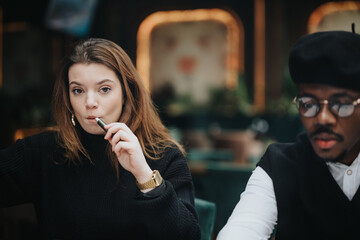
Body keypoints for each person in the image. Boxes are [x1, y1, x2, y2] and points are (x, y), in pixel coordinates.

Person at [0, 38, 201, 239]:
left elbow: (188, 235)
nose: (89, 102)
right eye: (78, 90)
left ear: (127, 94)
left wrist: (144, 175)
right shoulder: (43, 151)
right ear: (68, 98)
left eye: (104, 89)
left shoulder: (164, 155)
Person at [217, 30, 360, 240]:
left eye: (341, 104)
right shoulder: (280, 164)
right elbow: (241, 231)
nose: (323, 119)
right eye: (309, 104)